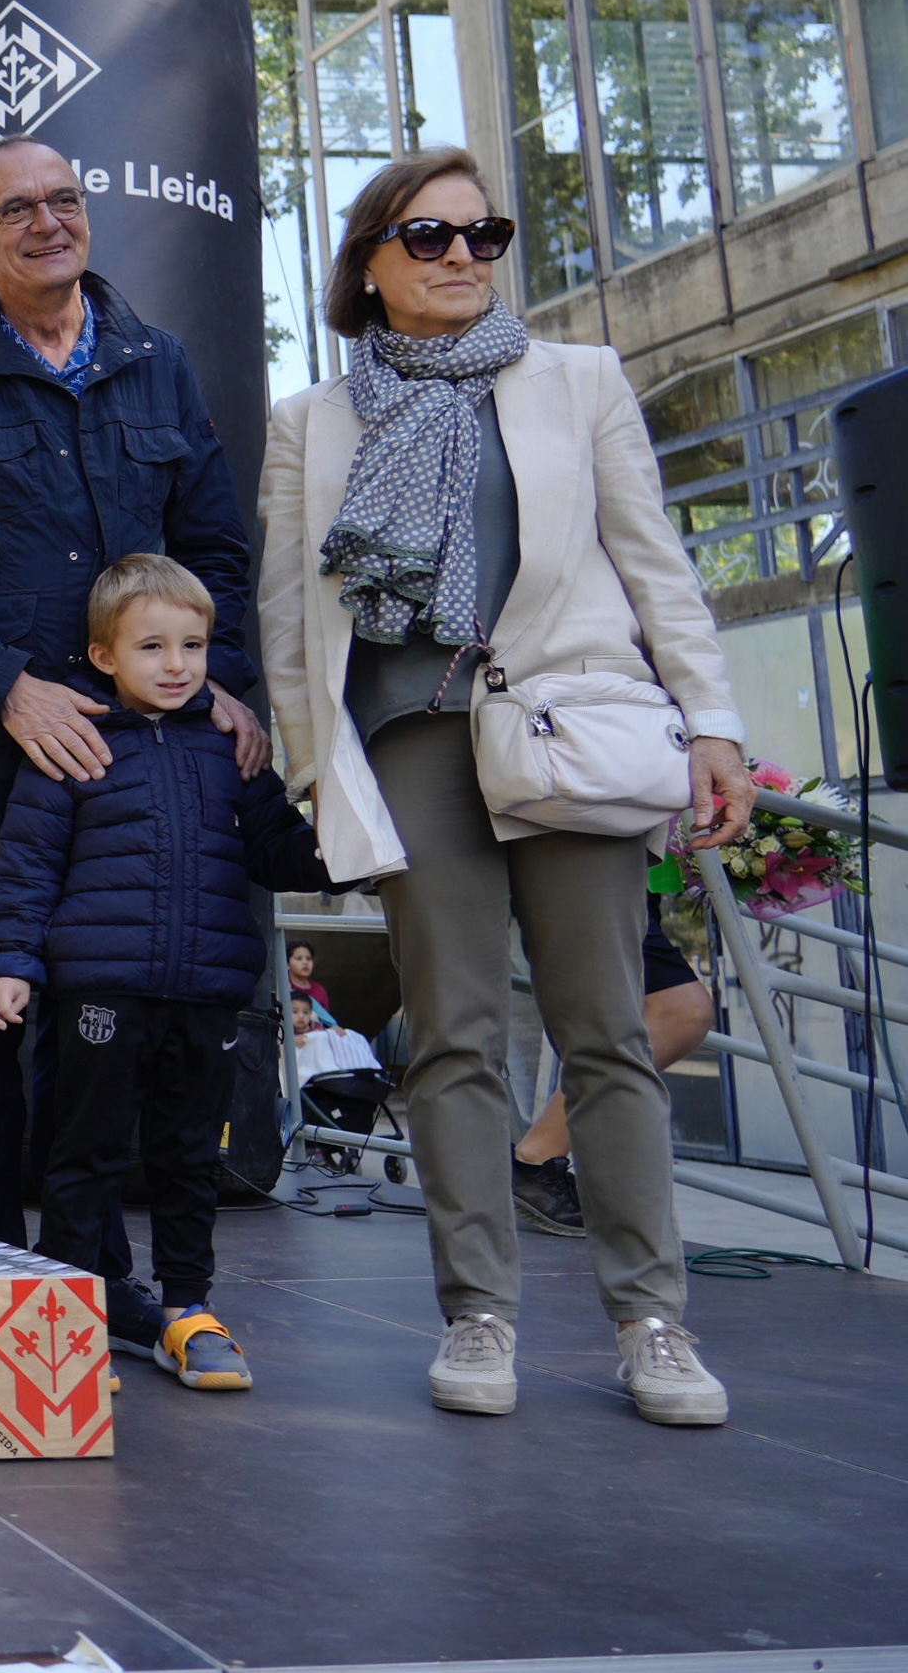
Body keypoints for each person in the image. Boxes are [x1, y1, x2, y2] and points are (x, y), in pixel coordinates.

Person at [257, 146, 755, 1427]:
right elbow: (283, 621)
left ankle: (653, 1323)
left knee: (606, 1033)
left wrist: (708, 722)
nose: (462, 259)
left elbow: (652, 561)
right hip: (410, 739)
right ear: (367, 264)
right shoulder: (311, 421)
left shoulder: (575, 380)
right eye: (428, 239)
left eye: (484, 236)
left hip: (566, 725)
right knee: (455, 1038)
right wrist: (316, 773)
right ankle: (476, 1317)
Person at [0, 134, 264, 1338]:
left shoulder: (158, 365)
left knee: (103, 1015)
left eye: (64, 201)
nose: (46, 223)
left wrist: (222, 683)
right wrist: (7, 691)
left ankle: (88, 1281)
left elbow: (217, 553)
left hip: (141, 763)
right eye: (14, 210)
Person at [0, 554, 330, 1389]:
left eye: (192, 645)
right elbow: (26, 863)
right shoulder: (75, 741)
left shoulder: (231, 748)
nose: (176, 665)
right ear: (103, 655)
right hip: (99, 992)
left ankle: (186, 1310)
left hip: (207, 994)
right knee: (84, 1154)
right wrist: (12, 964)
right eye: (151, 647)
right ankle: (60, 1316)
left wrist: (348, 845)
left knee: (186, 1158)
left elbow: (277, 849)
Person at [512, 909, 715, 1237]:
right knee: (679, 1011)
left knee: (657, 1014)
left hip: (628, 880)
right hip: (590, 874)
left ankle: (541, 1158)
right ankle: (537, 1156)